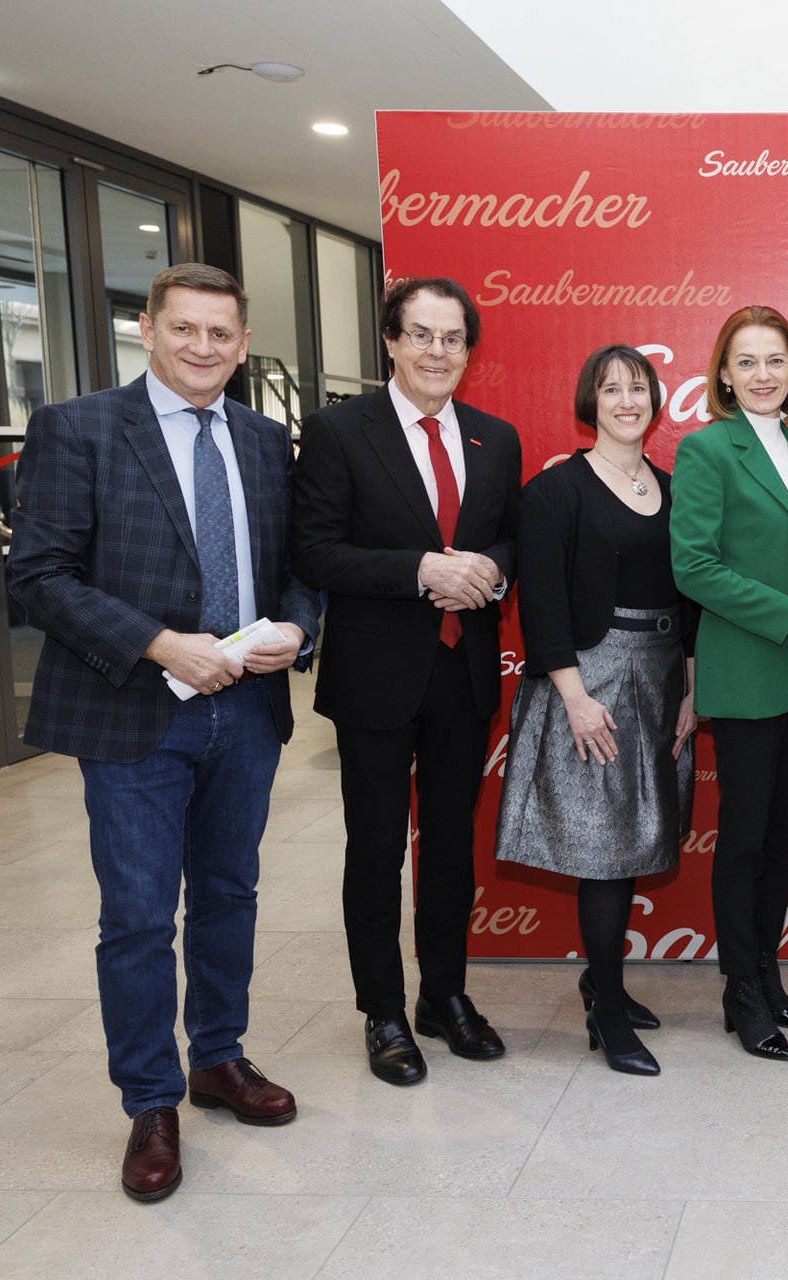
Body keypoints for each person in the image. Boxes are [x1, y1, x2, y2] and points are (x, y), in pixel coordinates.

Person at [7, 264, 319, 1201]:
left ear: (243, 339)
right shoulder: (80, 427)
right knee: (138, 918)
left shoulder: (267, 441)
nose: (202, 347)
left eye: (221, 333)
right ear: (147, 329)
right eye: (184, 328)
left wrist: (299, 628)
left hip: (248, 714)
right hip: (134, 711)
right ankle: (150, 1101)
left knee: (229, 893)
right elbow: (41, 576)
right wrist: (158, 645)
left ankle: (217, 1059)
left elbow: (301, 565)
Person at [291, 276, 522, 1086]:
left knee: (452, 850)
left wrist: (488, 571)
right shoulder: (337, 431)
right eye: (420, 335)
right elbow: (314, 551)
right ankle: (383, 1012)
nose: (437, 352)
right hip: (376, 678)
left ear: (469, 349)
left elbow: (509, 541)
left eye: (453, 338)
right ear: (390, 341)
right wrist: (420, 569)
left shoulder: (496, 437)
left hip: (464, 673)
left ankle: (445, 997)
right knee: (377, 850)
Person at [495, 345, 696, 1077]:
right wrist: (574, 696)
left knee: (643, 833)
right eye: (611, 389)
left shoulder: (675, 489)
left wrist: (694, 689)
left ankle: (600, 981)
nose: (625, 401)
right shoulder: (555, 491)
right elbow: (541, 601)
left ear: (655, 400)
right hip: (590, 681)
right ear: (591, 401)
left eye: (638, 389)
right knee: (606, 853)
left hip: (664, 675)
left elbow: (693, 594)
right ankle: (607, 1011)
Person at [670, 306, 788, 1061]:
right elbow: (694, 566)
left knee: (779, 838)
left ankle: (767, 972)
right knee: (742, 842)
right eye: (747, 362)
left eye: (776, 360)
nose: (764, 375)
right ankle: (739, 988)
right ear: (723, 375)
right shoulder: (706, 450)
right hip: (748, 672)